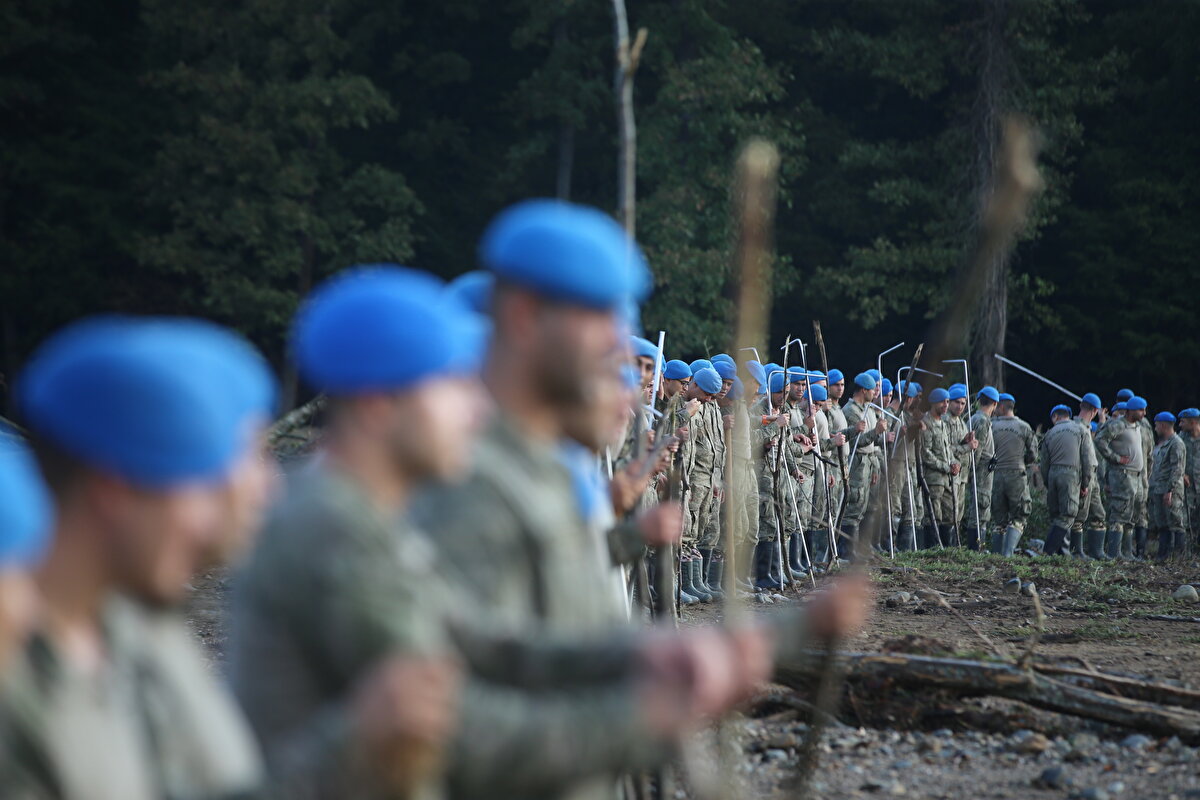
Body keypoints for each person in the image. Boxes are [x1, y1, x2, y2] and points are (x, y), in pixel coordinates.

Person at [415, 200, 871, 799]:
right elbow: (459, 727)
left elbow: (553, 645)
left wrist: (768, 638)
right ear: (524, 316)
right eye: (598, 317)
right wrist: (650, 713)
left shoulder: (536, 472)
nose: (619, 345)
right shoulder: (470, 486)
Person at [0, 317, 280, 799]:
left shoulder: (136, 625)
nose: (208, 519)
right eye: (198, 491)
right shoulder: (18, 676)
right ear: (113, 491)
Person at [841, 373, 890, 547]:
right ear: (863, 390)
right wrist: (876, 431)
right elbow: (856, 441)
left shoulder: (867, 409)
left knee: (865, 506)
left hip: (868, 461)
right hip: (857, 462)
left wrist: (874, 467)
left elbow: (872, 444)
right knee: (854, 505)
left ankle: (863, 547)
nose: (876, 392)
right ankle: (848, 549)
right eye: (872, 389)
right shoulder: (851, 411)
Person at [1095, 395, 1146, 559]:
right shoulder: (1118, 425)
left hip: (1136, 476)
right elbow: (1100, 440)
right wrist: (1115, 458)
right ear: (1131, 410)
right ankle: (1114, 552)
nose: (1144, 413)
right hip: (1122, 475)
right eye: (1141, 410)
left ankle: (1127, 551)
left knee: (1132, 515)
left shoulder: (1137, 426)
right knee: (1119, 513)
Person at [1039, 405, 1093, 556]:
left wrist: (1048, 482)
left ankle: (1062, 553)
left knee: (1056, 515)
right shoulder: (1080, 430)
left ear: (1055, 417)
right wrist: (1085, 483)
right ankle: (1048, 551)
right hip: (1071, 473)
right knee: (1068, 515)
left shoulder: (1049, 434)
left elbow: (1044, 464)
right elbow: (1087, 460)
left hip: (1052, 474)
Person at [989, 393, 1037, 556]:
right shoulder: (1024, 426)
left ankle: (996, 555)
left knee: (999, 520)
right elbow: (1033, 454)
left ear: (1001, 407)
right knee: (1019, 516)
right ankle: (1008, 554)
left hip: (995, 475)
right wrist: (1024, 461)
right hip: (1017, 474)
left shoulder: (991, 425)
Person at [920, 387, 959, 549]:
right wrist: (945, 467)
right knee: (934, 516)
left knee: (949, 515)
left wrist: (954, 463)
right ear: (933, 402)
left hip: (947, 479)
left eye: (948, 401)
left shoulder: (942, 424)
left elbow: (947, 449)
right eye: (942, 401)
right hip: (934, 479)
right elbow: (926, 453)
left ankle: (947, 550)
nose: (946, 405)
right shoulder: (927, 423)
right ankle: (933, 550)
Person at [1072, 393, 1108, 559]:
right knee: (1079, 516)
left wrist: (1101, 421)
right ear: (1094, 410)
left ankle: (1097, 552)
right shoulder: (1079, 428)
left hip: (1091, 479)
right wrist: (1084, 483)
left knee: (1099, 514)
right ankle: (1077, 552)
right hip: (1083, 478)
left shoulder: (1084, 427)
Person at [1148, 411, 1187, 559]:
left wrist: (1170, 490)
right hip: (1160, 488)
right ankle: (1163, 554)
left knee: (1175, 521)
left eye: (1157, 425)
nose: (1155, 428)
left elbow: (1177, 469)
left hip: (1171, 490)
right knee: (1162, 522)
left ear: (1164, 425)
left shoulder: (1176, 443)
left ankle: (1178, 556)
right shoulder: (1165, 444)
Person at [964, 386, 998, 551]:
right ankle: (976, 548)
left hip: (980, 469)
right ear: (995, 404)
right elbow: (977, 451)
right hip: (982, 471)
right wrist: (973, 472)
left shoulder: (974, 418)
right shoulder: (983, 421)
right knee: (981, 509)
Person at [1180, 408, 1200, 551]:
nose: (1180, 425)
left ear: (1193, 422)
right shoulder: (1181, 438)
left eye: (1183, 422)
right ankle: (1188, 551)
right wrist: (1182, 474)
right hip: (1188, 487)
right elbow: (1175, 459)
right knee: (1187, 520)